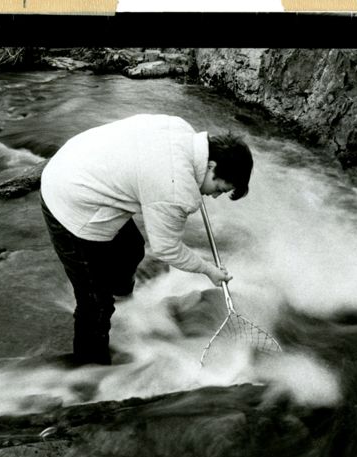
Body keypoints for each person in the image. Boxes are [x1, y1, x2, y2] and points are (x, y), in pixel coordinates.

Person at [40, 113, 253, 365]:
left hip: (74, 163)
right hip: (71, 203)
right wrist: (208, 270)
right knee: (95, 305)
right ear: (211, 166)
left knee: (131, 248)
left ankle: (124, 305)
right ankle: (89, 372)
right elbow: (167, 249)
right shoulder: (176, 189)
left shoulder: (182, 131)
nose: (215, 197)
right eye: (219, 189)